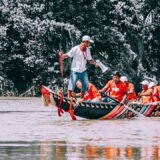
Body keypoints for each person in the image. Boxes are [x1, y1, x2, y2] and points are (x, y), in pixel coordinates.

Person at [61, 35, 98, 102]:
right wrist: (62, 55)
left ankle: (81, 99)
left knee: (85, 85)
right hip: (75, 70)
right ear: (85, 42)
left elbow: (90, 60)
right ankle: (69, 98)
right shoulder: (75, 48)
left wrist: (95, 63)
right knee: (71, 85)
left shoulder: (88, 50)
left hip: (83, 70)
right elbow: (68, 55)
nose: (89, 44)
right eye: (89, 42)